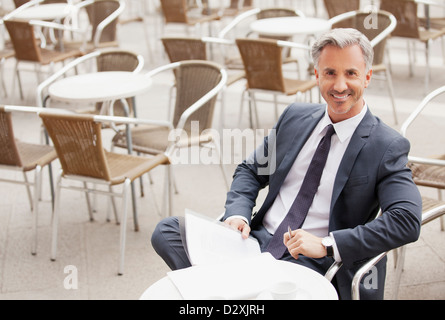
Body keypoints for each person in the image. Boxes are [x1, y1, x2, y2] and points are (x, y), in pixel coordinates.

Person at [151, 28, 422, 300]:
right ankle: (239, 287)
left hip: (309, 260)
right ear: (317, 75)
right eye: (330, 73)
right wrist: (237, 215)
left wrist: (327, 245)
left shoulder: (386, 145)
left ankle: (229, 288)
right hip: (253, 241)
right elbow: (251, 170)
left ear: (367, 76)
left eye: (350, 73)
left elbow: (406, 220)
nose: (340, 85)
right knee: (168, 231)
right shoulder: (295, 117)